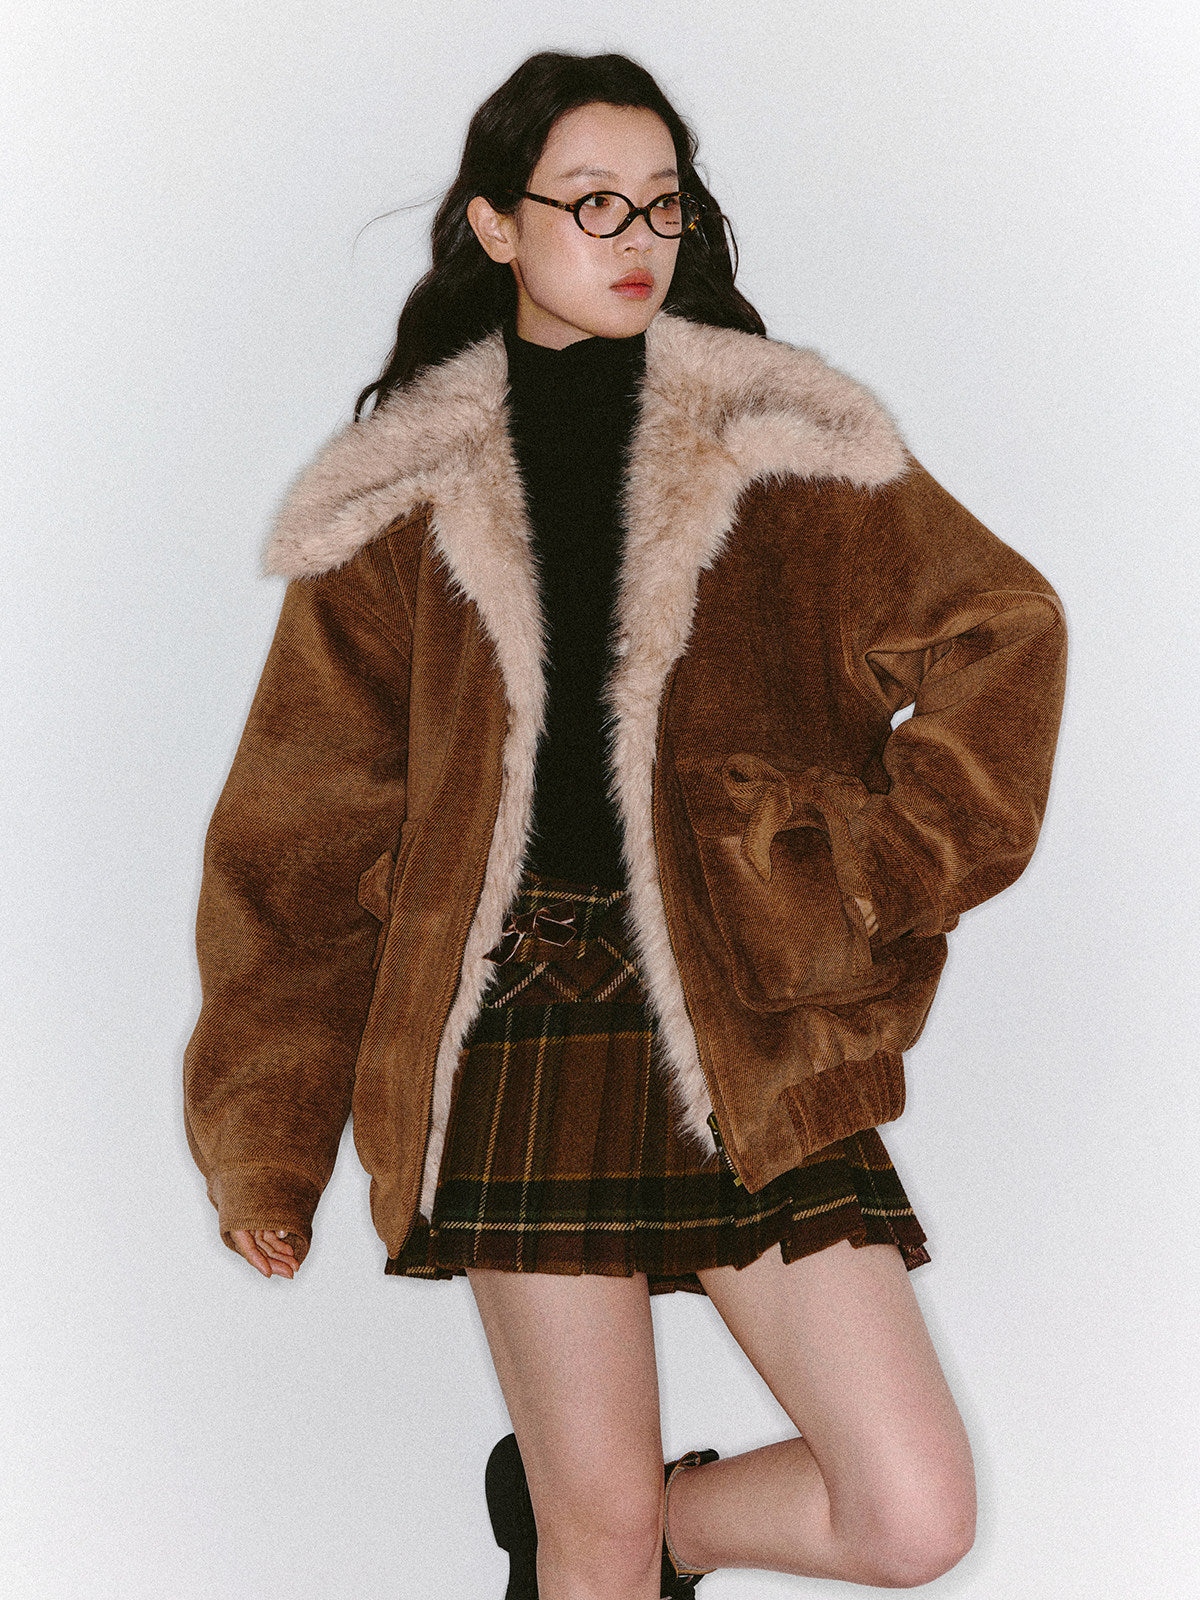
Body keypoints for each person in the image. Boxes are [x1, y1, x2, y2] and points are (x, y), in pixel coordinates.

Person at [183, 49, 1067, 1600]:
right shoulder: (402, 494)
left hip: (747, 1021)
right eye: (591, 202)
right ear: (497, 225)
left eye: (661, 203)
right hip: (517, 1027)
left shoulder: (786, 441)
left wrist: (861, 876)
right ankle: (590, 1537)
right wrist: (269, 1144)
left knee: (910, 1512)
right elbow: (298, 833)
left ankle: (660, 1528)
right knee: (588, 1543)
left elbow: (1005, 634)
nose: (636, 235)